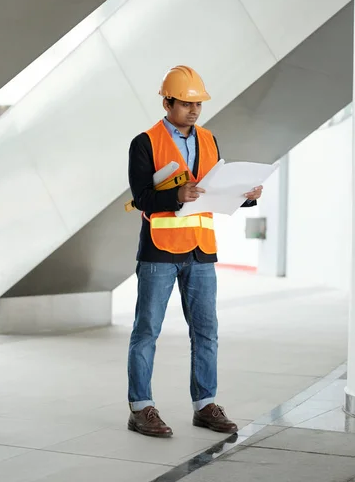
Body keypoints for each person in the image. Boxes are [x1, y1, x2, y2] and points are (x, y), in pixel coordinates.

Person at [127, 65, 263, 438]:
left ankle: (205, 405)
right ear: (167, 102)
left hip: (201, 250)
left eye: (197, 104)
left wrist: (245, 197)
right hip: (160, 250)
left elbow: (215, 192)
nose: (193, 110)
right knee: (147, 331)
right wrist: (175, 196)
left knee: (206, 331)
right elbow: (141, 196)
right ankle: (141, 407)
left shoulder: (208, 139)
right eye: (186, 103)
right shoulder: (146, 142)